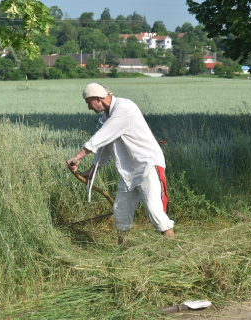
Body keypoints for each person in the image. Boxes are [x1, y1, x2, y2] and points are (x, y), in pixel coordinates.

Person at [67, 83, 174, 245]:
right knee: (120, 213)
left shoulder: (124, 108)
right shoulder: (105, 120)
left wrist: (77, 156)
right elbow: (104, 148)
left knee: (155, 213)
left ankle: (174, 249)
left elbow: (102, 136)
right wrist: (92, 169)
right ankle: (122, 250)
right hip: (128, 173)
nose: (89, 107)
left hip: (148, 166)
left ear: (98, 98)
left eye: (89, 103)